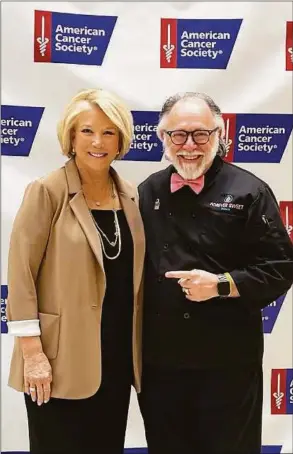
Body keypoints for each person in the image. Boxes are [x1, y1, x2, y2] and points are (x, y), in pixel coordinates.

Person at [138, 92, 293, 454]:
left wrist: (222, 285)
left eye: (200, 134)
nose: (189, 146)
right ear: (163, 138)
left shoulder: (250, 191)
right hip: (161, 364)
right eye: (178, 135)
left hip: (228, 363)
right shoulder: (148, 191)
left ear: (219, 135)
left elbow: (281, 266)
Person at [6, 88, 145, 454]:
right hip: (57, 359)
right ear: (70, 136)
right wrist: (33, 355)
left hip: (114, 359)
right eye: (87, 131)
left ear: (121, 141)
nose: (98, 142)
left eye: (109, 132)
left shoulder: (131, 196)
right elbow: (20, 274)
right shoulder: (46, 191)